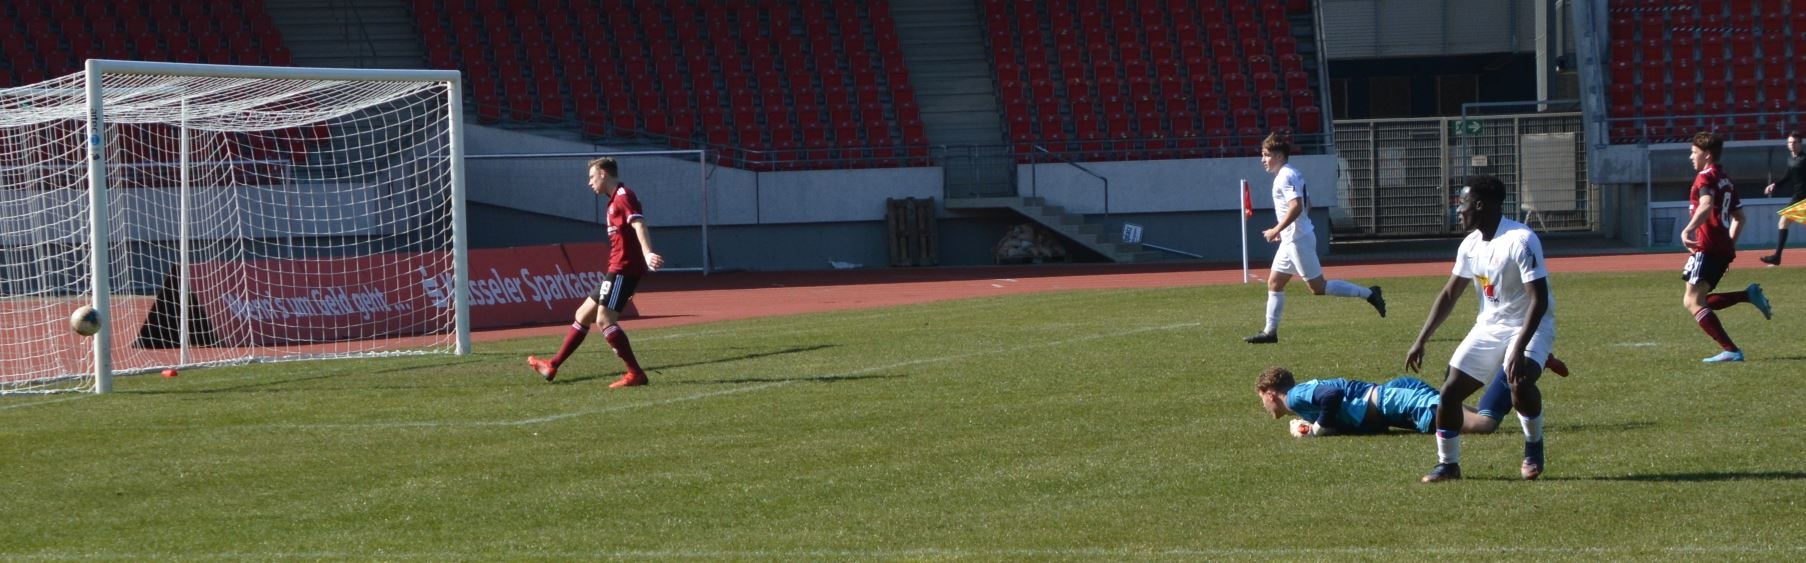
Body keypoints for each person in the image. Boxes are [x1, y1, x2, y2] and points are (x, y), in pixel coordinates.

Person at [1403, 175, 1554, 483]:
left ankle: (1533, 446)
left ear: (1481, 205)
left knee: (1519, 382)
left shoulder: (1521, 240)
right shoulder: (1470, 245)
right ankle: (1448, 465)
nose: (1458, 210)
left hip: (1529, 324)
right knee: (1450, 391)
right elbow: (1449, 294)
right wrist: (1421, 339)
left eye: (1463, 203)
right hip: (1489, 326)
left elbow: (1539, 300)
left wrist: (1517, 348)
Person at [527, 157, 665, 388]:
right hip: (616, 269)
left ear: (603, 173)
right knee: (582, 314)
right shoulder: (612, 202)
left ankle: (635, 373)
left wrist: (648, 253)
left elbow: (639, 224)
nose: (589, 183)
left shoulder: (623, 196)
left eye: (591, 177)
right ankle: (553, 365)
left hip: (624, 269)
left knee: (604, 319)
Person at [1245, 132, 1386, 344]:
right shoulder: (1291, 174)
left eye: (1266, 155)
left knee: (1318, 288)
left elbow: (1297, 206)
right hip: (1292, 238)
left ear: (1280, 156)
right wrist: (1285, 231)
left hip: (1297, 240)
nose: (1262, 159)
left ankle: (1369, 293)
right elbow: (1307, 203)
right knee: (1274, 283)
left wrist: (1277, 229)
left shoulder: (1285, 176)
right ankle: (1270, 332)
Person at [1255, 355, 1570, 437]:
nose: (1264, 405)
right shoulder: (1299, 403)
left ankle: (1524, 360)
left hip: (1395, 402)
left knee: (1486, 424)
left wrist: (1322, 428)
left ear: (1270, 393)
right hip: (1394, 397)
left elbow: (1332, 394)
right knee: (1469, 412)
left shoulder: (1294, 397)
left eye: (1261, 399)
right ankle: (1522, 361)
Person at [1679, 131, 1772, 363]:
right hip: (1720, 246)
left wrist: (1687, 229)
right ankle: (1747, 295)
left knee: (1693, 301)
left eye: (1694, 152)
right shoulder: (1725, 179)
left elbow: (1706, 205)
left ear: (1707, 155)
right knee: (1696, 299)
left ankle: (1731, 350)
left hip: (1708, 244)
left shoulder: (1705, 177)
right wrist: (1728, 247)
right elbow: (1740, 217)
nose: (1691, 157)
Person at [1759, 132, 1805, 266]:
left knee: (1783, 222)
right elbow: (1788, 176)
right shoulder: (1791, 159)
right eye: (1790, 142)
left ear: (1800, 143)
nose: (1792, 145)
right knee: (1783, 222)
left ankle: (1777, 257)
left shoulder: (1804, 159)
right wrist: (1775, 184)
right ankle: (1777, 257)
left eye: (1795, 142)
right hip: (1798, 198)